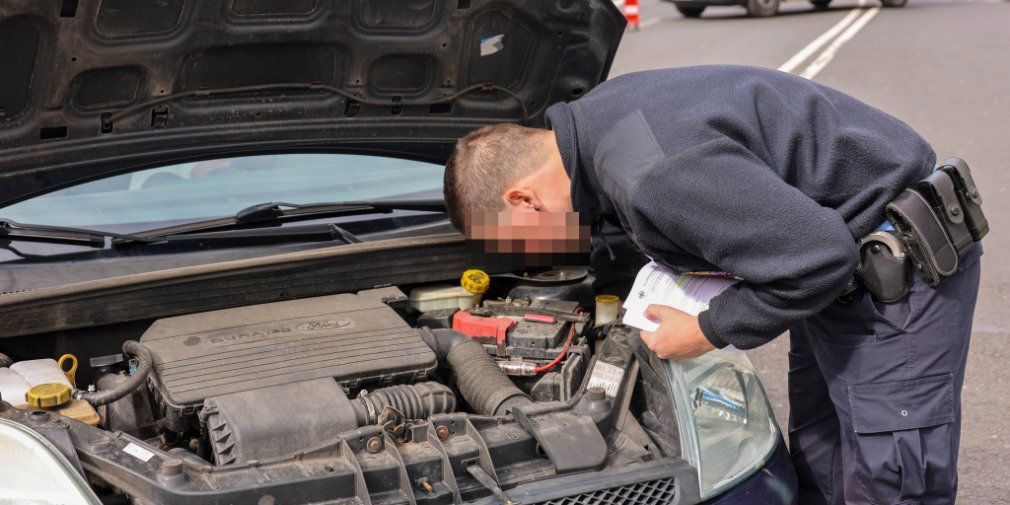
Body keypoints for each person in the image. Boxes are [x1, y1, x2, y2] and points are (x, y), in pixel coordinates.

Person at [442, 66, 981, 505]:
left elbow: (820, 256)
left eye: (520, 243)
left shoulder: (653, 175)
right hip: (835, 281)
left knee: (892, 477)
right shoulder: (598, 123)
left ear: (522, 200)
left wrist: (707, 329)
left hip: (896, 275)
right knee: (824, 456)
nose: (537, 257)